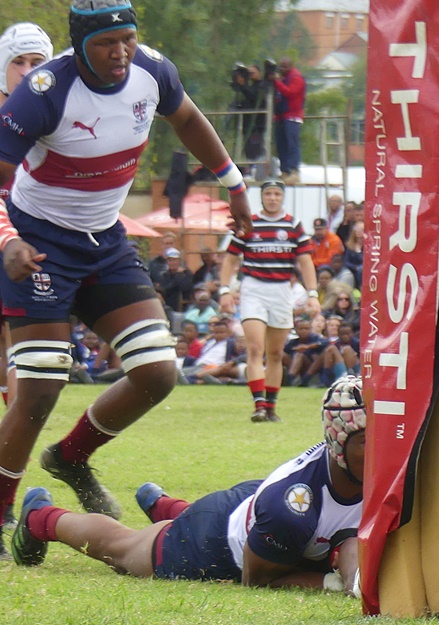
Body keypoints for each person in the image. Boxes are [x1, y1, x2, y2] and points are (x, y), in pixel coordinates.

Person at [0, 0, 253, 561]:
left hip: (105, 243)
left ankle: (69, 457)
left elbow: (186, 117)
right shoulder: (42, 92)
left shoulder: (153, 71)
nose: (120, 53)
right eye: (105, 44)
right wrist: (7, 242)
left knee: (158, 372)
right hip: (39, 246)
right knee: (39, 389)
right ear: (78, 46)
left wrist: (233, 182)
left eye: (128, 40)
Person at [9, 376, 364, 595]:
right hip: (214, 543)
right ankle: (41, 516)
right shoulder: (292, 508)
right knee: (123, 549)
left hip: (250, 505)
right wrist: (329, 582)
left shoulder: (375, 472)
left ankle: (164, 506)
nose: (384, 450)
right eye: (366, 438)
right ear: (337, 441)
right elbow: (256, 581)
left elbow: (346, 531)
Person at [220, 180, 319, 423]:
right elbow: (230, 259)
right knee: (255, 348)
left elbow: (305, 261)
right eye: (268, 194)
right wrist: (224, 289)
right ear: (261, 197)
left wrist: (313, 294)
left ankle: (272, 407)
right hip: (254, 288)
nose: (272, 198)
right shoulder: (249, 223)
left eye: (276, 194)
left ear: (282, 197)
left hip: (282, 290)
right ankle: (258, 406)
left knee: (275, 353)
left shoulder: (293, 225)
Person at [0, 22, 53, 414]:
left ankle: (11, 449)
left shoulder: (57, 116)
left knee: (22, 343)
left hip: (28, 240)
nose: (27, 70)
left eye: (37, 62)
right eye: (18, 62)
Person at [269, 57, 305, 184]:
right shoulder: (284, 79)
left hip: (292, 116)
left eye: (285, 67)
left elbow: (290, 93)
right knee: (281, 145)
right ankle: (284, 170)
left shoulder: (296, 78)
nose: (282, 69)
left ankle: (294, 170)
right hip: (281, 116)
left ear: (290, 66)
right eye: (281, 67)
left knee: (292, 144)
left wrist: (277, 82)